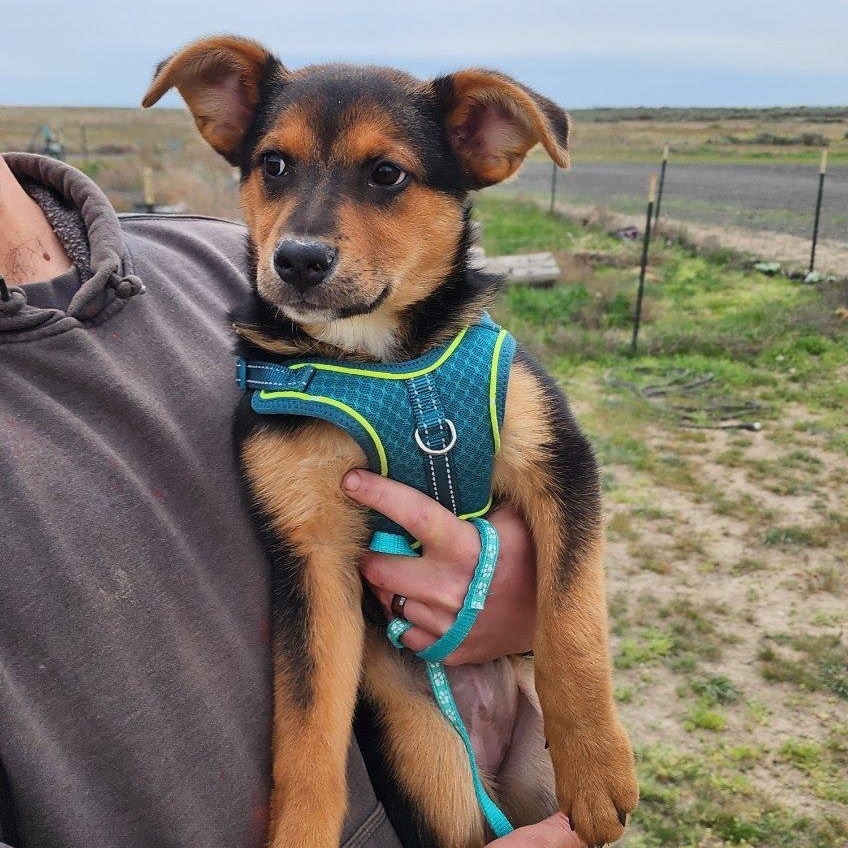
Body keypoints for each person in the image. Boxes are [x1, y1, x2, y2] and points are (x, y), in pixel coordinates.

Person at [0, 151, 582, 847]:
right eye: (275, 166)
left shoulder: (232, 268)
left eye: (386, 175)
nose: (309, 228)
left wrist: (523, 600)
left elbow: (543, 490)